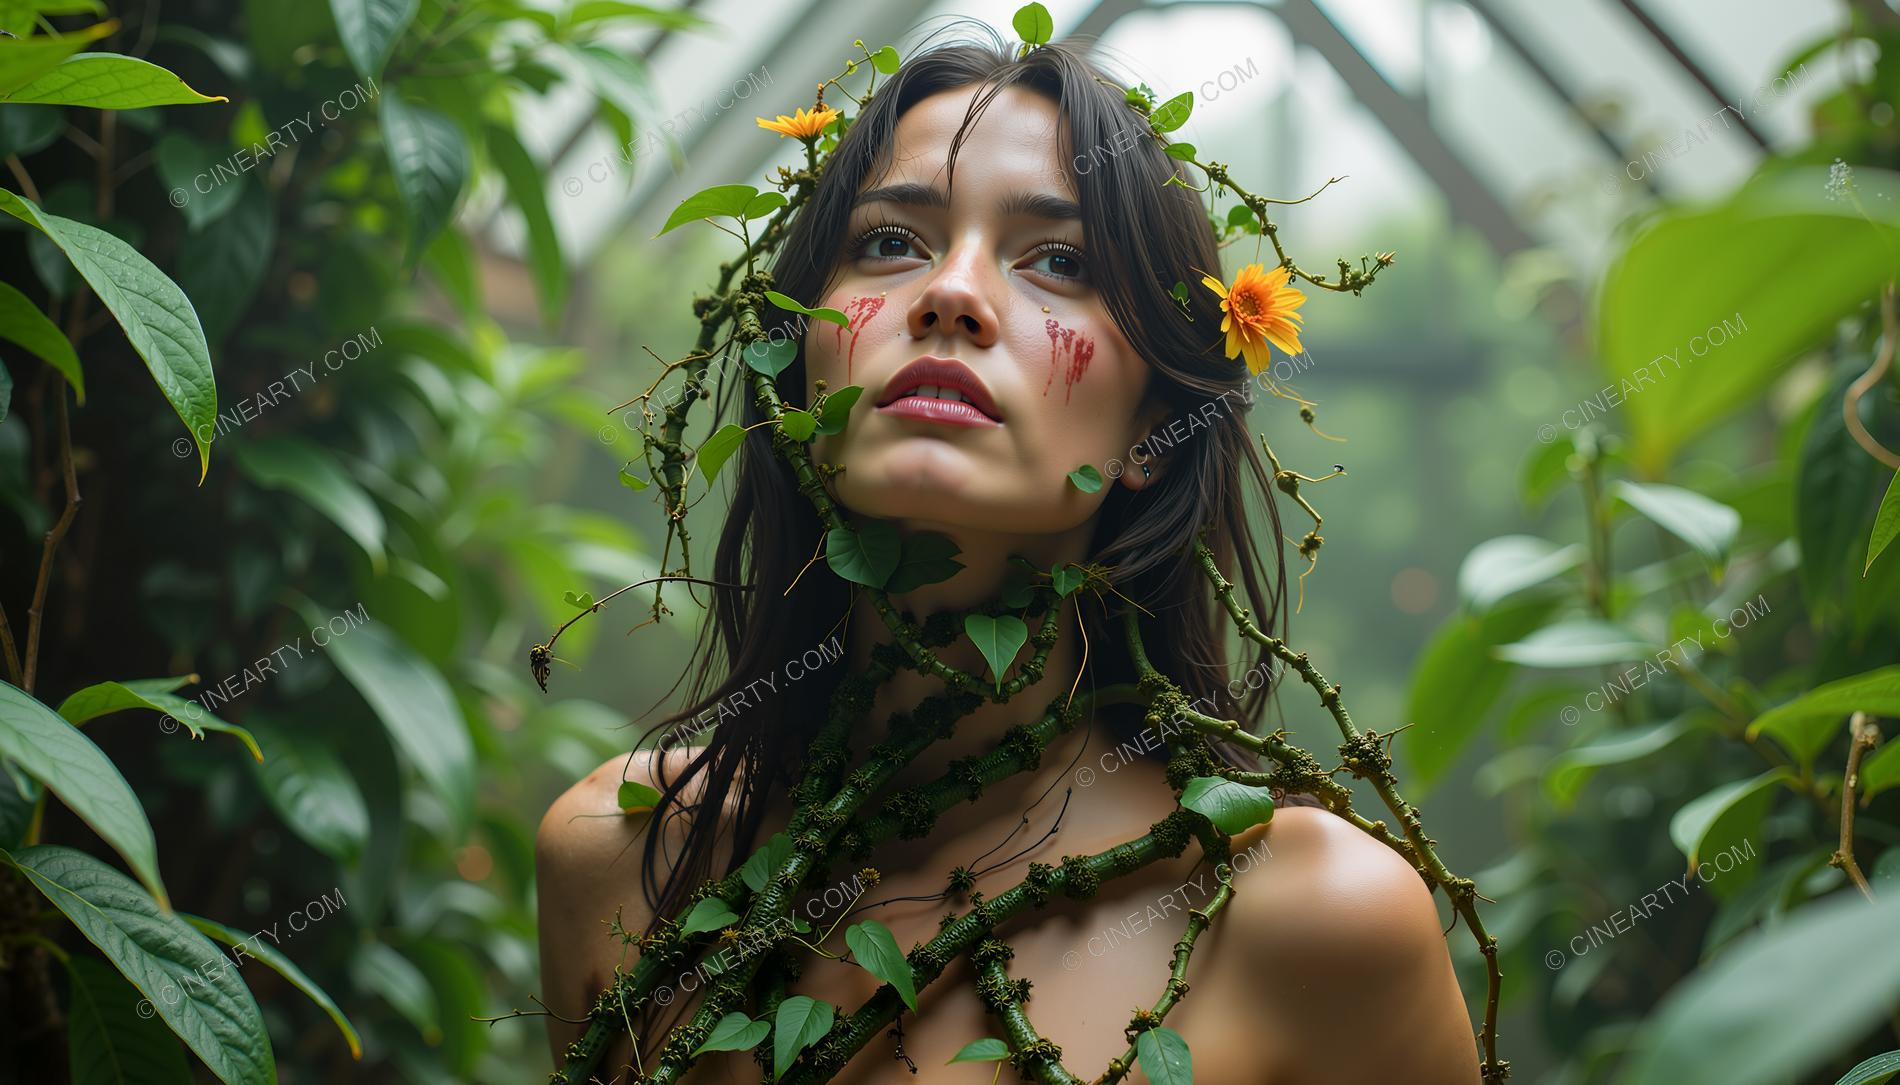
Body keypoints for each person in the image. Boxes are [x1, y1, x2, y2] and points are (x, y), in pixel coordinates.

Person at [537, 26, 1480, 1084]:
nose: (952, 294)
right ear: (795, 366)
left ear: (1150, 433)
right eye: (890, 241)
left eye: (1059, 261)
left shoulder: (1308, 921)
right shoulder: (618, 856)